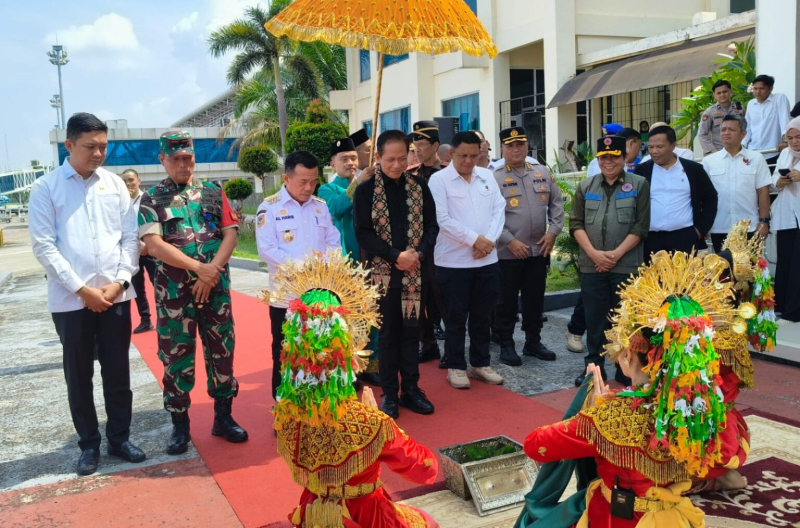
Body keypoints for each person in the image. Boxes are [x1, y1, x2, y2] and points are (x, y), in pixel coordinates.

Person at [522, 251, 735, 528]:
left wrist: (589, 413)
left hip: (616, 518)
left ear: (627, 357)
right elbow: (723, 457)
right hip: (675, 517)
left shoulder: (611, 415)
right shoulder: (701, 410)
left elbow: (535, 445)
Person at [269, 251, 439, 527]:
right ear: (346, 343)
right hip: (366, 515)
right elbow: (423, 468)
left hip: (312, 510)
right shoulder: (369, 422)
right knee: (427, 523)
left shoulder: (285, 414)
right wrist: (376, 422)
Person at [30, 112, 145, 476]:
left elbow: (130, 239)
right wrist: (82, 290)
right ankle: (89, 445)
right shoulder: (46, 188)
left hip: (115, 297)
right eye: (89, 146)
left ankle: (119, 438)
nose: (98, 153)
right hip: (70, 302)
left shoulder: (114, 185)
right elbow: (44, 247)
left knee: (117, 372)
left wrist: (121, 282)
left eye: (103, 146)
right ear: (69, 145)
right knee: (78, 375)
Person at [139, 131, 247, 454]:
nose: (183, 164)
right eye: (175, 159)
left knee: (222, 352)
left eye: (188, 158)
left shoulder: (214, 192)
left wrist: (210, 270)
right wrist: (199, 269)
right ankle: (180, 426)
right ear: (162, 160)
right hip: (175, 298)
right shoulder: (151, 199)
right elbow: (154, 245)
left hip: (215, 291)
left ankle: (223, 417)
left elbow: (230, 233)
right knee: (176, 359)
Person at [354, 130, 439, 418]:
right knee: (389, 336)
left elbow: (431, 227)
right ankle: (390, 394)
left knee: (411, 334)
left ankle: (411, 390)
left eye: (403, 158)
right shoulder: (366, 191)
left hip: (416, 274)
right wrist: (395, 256)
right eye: (390, 159)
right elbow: (363, 233)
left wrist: (418, 253)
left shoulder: (419, 186)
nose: (396, 165)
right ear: (377, 157)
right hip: (382, 278)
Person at [256, 151, 341, 403]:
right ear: (286, 178)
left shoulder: (320, 207)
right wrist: (307, 268)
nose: (309, 187)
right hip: (286, 297)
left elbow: (333, 241)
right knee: (285, 352)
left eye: (314, 181)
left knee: (318, 350)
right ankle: (283, 407)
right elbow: (267, 250)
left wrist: (327, 265)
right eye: (303, 181)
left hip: (319, 296)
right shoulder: (270, 208)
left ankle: (316, 404)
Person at [570, 136, 650, 387]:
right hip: (592, 265)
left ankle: (625, 369)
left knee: (625, 320)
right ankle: (593, 369)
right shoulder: (586, 186)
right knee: (594, 319)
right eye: (603, 157)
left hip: (626, 264)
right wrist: (594, 254)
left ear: (624, 157)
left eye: (614, 156)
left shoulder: (639, 184)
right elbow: (576, 224)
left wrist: (615, 255)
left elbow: (641, 226)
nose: (608, 162)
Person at [429, 131, 506, 390]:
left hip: (487, 260)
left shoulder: (486, 175)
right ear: (452, 154)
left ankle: (480, 363)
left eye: (475, 155)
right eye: (463, 155)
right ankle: (456, 365)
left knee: (483, 316)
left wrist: (489, 241)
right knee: (455, 317)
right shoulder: (439, 180)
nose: (469, 161)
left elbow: (499, 208)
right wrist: (475, 240)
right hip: (453, 263)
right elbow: (442, 219)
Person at [492, 126, 563, 366]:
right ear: (502, 149)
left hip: (538, 250)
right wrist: (508, 240)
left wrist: (553, 232)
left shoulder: (541, 172)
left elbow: (556, 204)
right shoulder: (494, 176)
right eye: (510, 145)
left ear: (527, 146)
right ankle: (506, 344)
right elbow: (489, 216)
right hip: (508, 252)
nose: (516, 149)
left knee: (535, 299)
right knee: (506, 301)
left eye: (520, 144)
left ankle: (533, 341)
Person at [318, 138, 382, 386]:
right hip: (346, 262)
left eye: (353, 158)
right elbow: (336, 208)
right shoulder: (327, 189)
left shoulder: (370, 183)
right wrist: (358, 183)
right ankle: (350, 369)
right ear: (332, 163)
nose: (350, 163)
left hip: (373, 258)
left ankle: (371, 365)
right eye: (344, 158)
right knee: (348, 318)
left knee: (372, 316)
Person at [634, 125, 718, 259]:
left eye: (660, 147)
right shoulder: (642, 171)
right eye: (651, 147)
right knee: (652, 279)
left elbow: (710, 199)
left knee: (684, 279)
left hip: (685, 237)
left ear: (673, 146)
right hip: (651, 239)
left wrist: (700, 230)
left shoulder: (693, 170)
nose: (654, 151)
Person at [702, 114, 772, 253]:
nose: (726, 133)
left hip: (749, 228)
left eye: (731, 130)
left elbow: (763, 192)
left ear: (743, 134)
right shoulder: (709, 161)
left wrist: (764, 221)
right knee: (723, 272)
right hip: (719, 227)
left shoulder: (756, 158)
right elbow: (703, 196)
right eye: (723, 130)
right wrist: (703, 224)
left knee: (750, 272)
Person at [408, 120, 448, 360]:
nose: (418, 150)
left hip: (443, 246)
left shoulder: (446, 174)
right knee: (419, 296)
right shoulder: (410, 175)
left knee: (443, 298)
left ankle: (451, 350)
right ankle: (428, 344)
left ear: (435, 145)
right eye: (415, 146)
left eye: (422, 145)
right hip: (419, 247)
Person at [771, 115, 800, 321]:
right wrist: (780, 181)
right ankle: (782, 305)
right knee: (785, 261)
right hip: (786, 216)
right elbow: (772, 182)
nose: (794, 142)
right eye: (790, 138)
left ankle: (795, 309)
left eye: (798, 137)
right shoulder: (784, 155)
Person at [121, 168, 156, 334]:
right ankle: (145, 319)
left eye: (131, 180)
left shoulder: (147, 199)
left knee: (158, 285)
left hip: (150, 250)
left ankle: (165, 318)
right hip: (132, 252)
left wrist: (147, 245)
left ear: (138, 181)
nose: (128, 184)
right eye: (125, 181)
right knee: (138, 288)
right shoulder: (121, 203)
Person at [743, 74, 792, 166]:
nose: (758, 92)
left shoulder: (779, 98)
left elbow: (784, 121)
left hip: (773, 151)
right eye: (755, 88)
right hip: (753, 151)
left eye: (762, 89)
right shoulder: (751, 104)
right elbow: (748, 128)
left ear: (771, 88)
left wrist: (786, 141)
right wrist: (742, 145)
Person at [698, 80, 745, 155]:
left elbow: (745, 128)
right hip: (719, 151)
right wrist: (714, 152)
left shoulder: (739, 108)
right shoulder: (709, 112)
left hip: (738, 151)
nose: (722, 95)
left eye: (725, 92)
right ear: (714, 95)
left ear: (731, 92)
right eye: (719, 93)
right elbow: (702, 135)